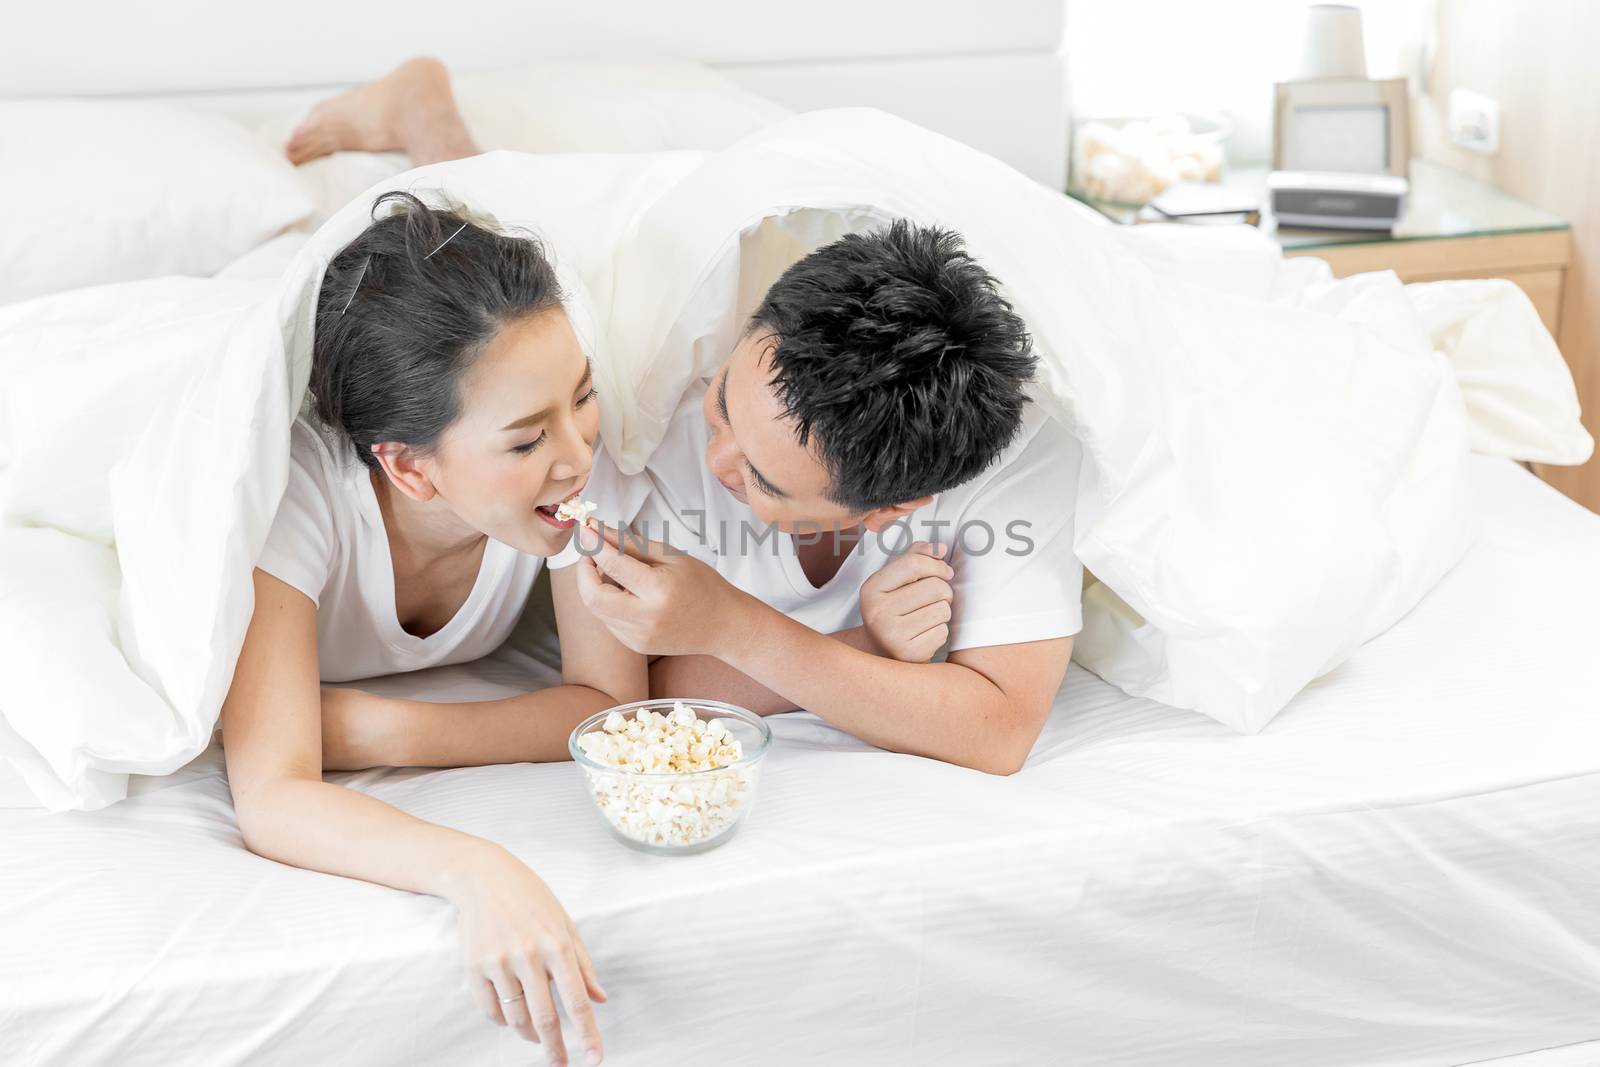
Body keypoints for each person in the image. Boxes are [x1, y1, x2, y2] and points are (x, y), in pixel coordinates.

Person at [288, 60, 1083, 778]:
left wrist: (738, 628)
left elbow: (997, 730)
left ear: (896, 508)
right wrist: (860, 649)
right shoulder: (640, 404)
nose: (713, 457)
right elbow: (642, 688)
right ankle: (427, 117)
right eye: (728, 403)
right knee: (473, 299)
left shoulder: (1002, 446)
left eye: (761, 479)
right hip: (616, 292)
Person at [221, 190, 636, 1067]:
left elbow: (606, 706)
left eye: (584, 395)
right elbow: (271, 796)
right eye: (526, 440)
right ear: (410, 470)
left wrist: (381, 728)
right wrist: (473, 868)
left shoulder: (566, 475)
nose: (578, 451)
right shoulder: (292, 496)